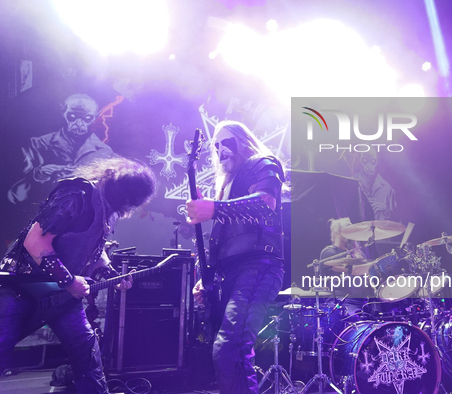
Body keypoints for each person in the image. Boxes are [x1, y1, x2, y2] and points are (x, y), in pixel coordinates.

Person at [0, 157, 156, 394]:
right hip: (21, 285)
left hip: (60, 295)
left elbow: (94, 250)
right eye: (128, 198)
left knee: (86, 353)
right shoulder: (78, 192)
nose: (128, 205)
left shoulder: (109, 210)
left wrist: (109, 273)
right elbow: (36, 241)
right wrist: (69, 280)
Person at [186, 120, 285, 394]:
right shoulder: (226, 189)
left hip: (257, 267)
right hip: (230, 274)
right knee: (227, 351)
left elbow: (265, 204)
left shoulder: (263, 162)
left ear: (243, 140)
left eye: (226, 141)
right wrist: (203, 280)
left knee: (229, 348)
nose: (220, 149)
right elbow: (216, 244)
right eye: (215, 146)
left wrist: (215, 208)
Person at [8, 93, 114, 204]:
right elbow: (15, 195)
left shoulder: (104, 152)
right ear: (63, 112)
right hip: (44, 213)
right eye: (72, 117)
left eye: (87, 118)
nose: (79, 124)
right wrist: (38, 175)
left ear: (94, 117)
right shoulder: (39, 144)